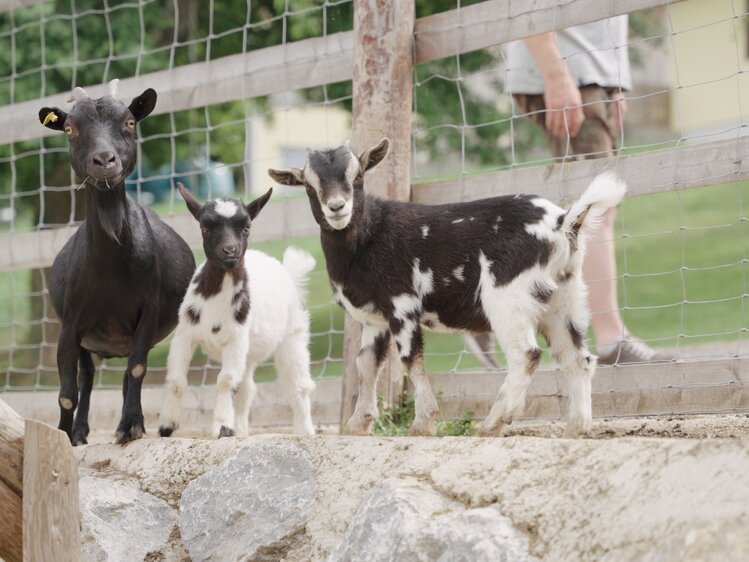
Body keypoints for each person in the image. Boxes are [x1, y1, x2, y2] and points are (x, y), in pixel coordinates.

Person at [497, 16, 673, 365]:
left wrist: (614, 83)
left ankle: (503, 312)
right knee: (593, 212)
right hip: (569, 72)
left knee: (594, 209)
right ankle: (609, 338)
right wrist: (555, 74)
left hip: (592, 76)